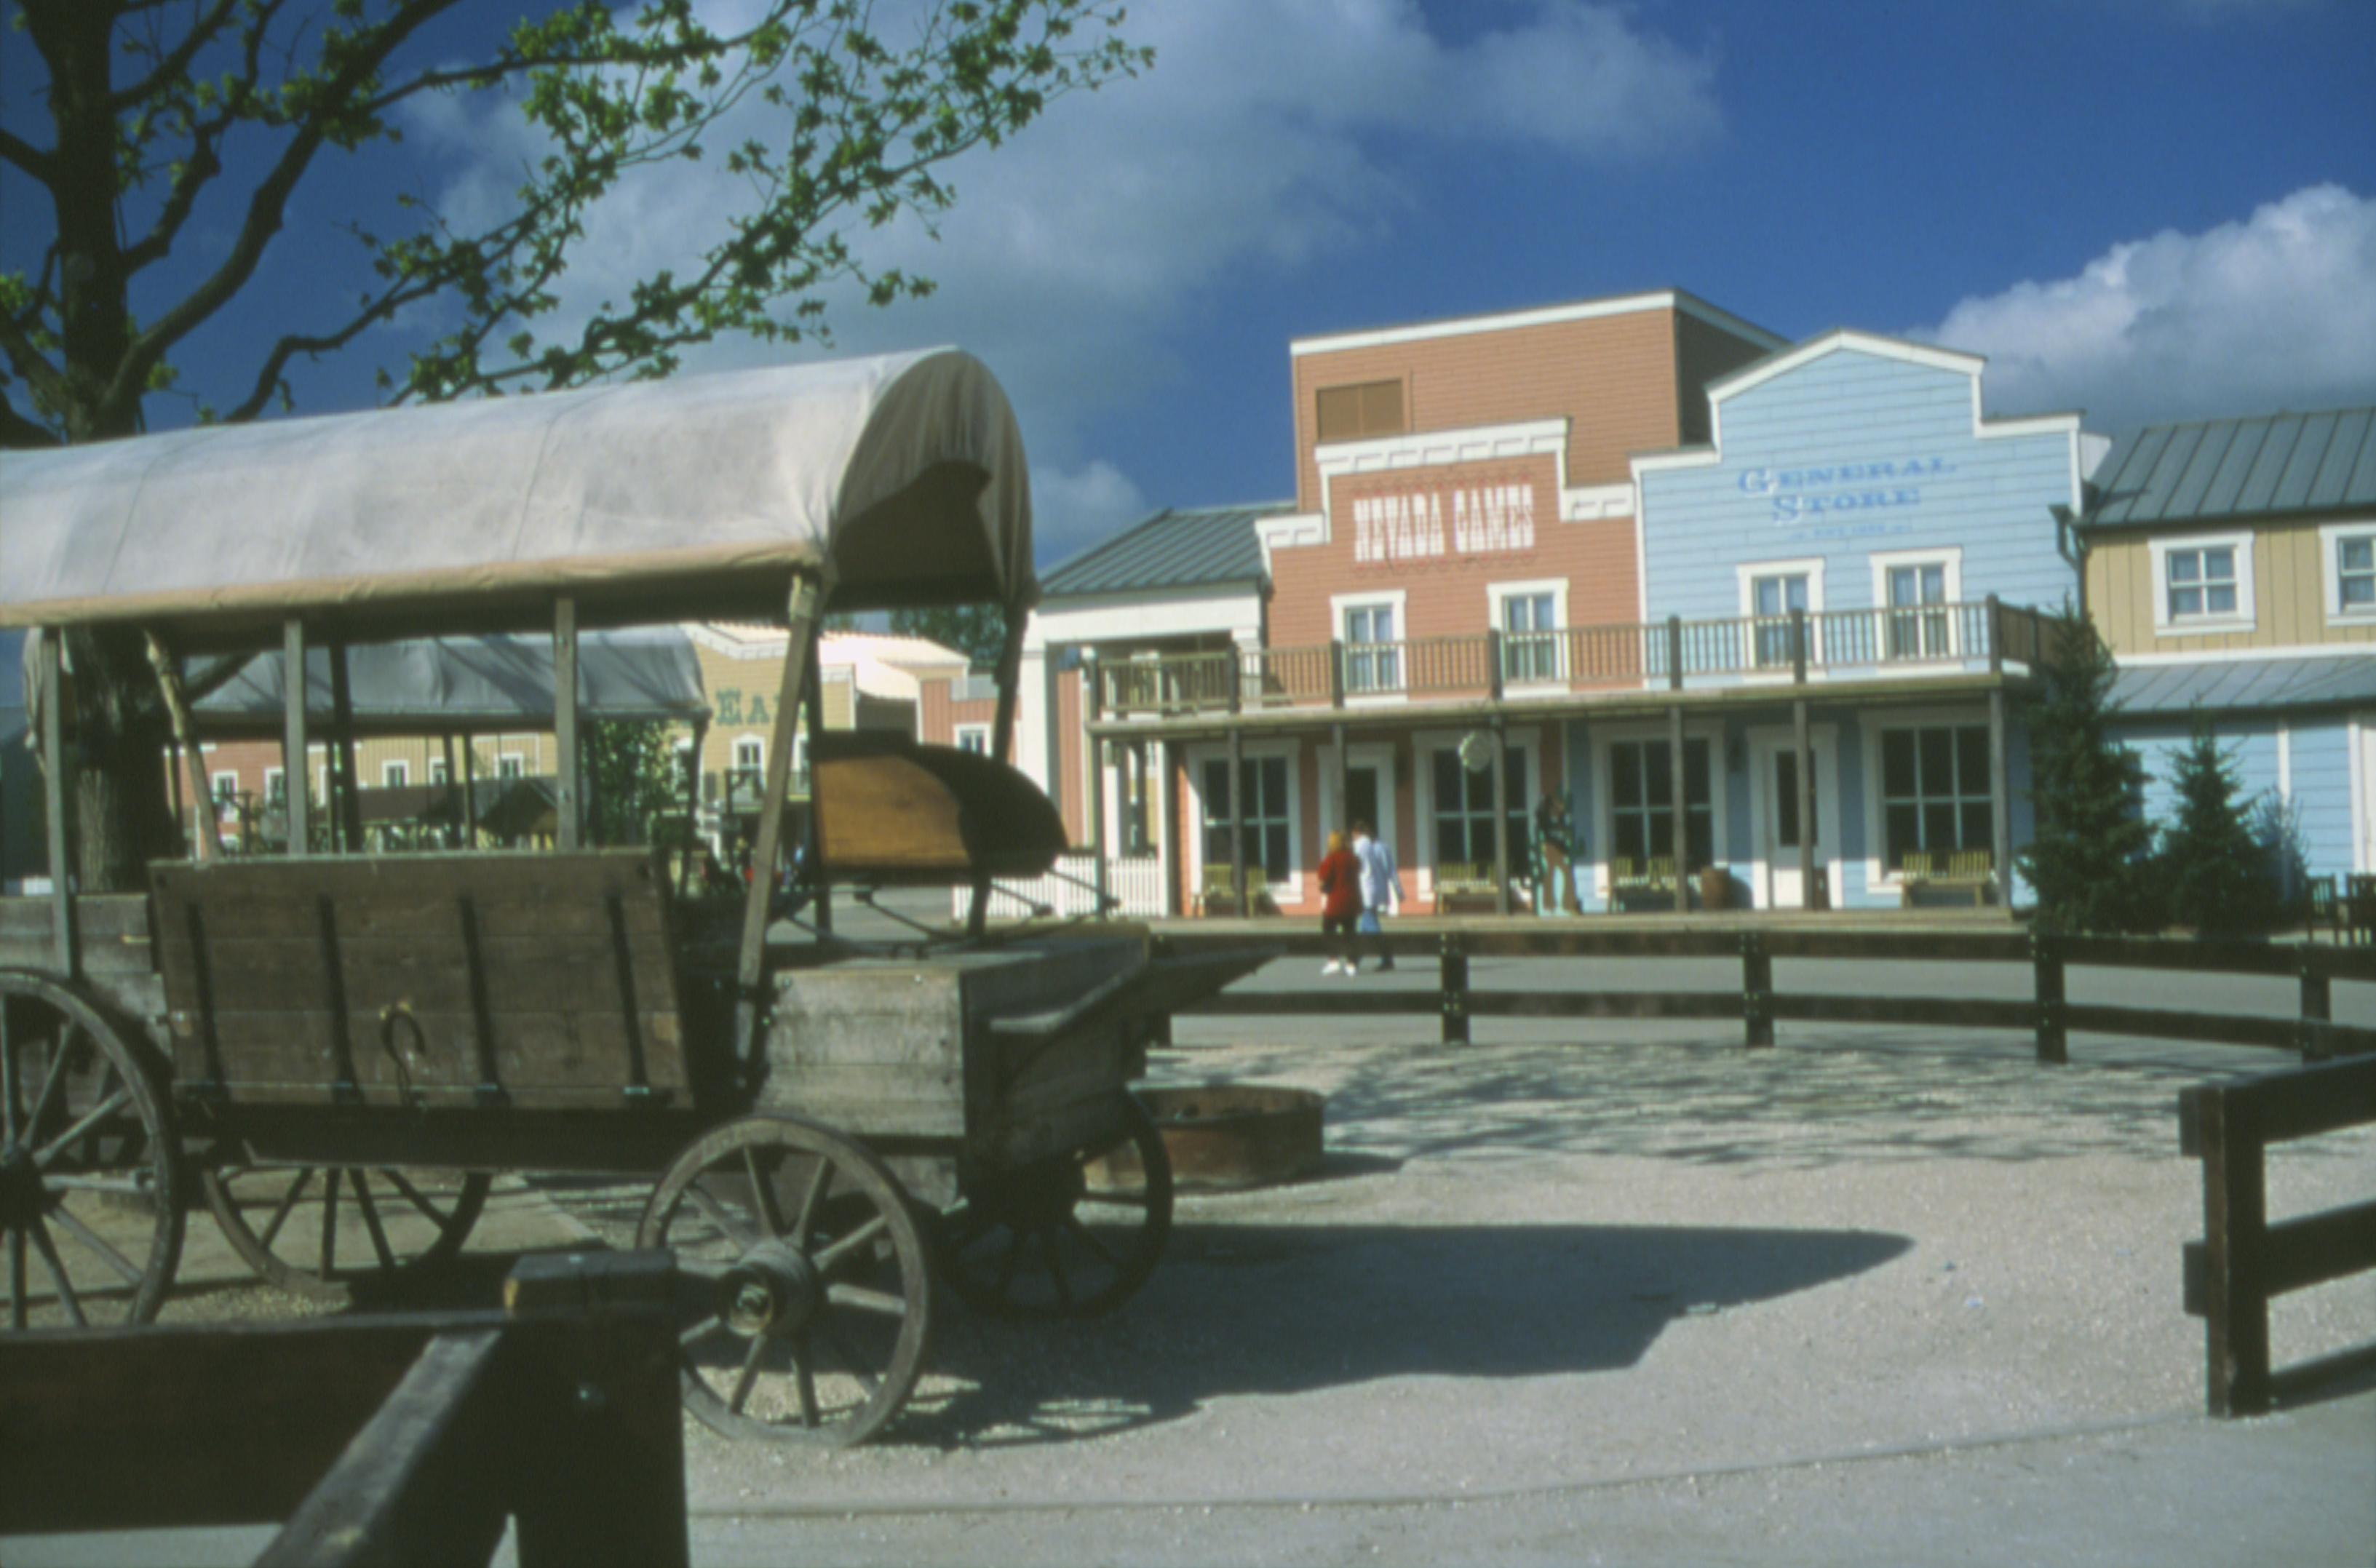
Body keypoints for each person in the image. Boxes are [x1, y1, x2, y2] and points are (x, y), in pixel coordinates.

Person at [1351, 819, 1399, 971]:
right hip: (1372, 890)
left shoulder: (1361, 845)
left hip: (1367, 892)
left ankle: (1387, 958)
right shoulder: (1376, 845)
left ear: (1356, 833)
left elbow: (1356, 864)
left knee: (1371, 928)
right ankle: (1354, 960)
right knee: (1364, 929)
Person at [1315, 830, 1362, 976]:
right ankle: (1351, 963)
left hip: (1336, 900)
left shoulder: (1332, 858)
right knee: (1350, 932)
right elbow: (1359, 869)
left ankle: (1333, 960)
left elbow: (1323, 875)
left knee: (1328, 929)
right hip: (1353, 900)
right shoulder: (1353, 858)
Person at [1535, 792, 1575, 915]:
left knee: (1565, 873)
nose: (1557, 809)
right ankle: (1549, 904)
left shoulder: (1560, 820)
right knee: (1550, 875)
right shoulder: (1545, 820)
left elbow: (1564, 834)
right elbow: (1539, 816)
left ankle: (1567, 903)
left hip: (1559, 850)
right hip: (1550, 848)